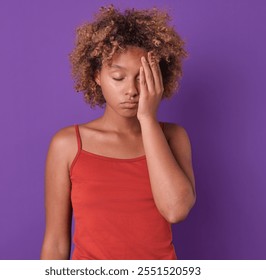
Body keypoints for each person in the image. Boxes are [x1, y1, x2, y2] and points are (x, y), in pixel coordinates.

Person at [40, 5, 196, 260]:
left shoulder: (173, 137)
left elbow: (175, 210)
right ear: (97, 77)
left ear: (159, 78)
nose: (131, 91)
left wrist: (147, 118)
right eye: (118, 77)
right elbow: (55, 243)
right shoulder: (68, 145)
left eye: (142, 78)